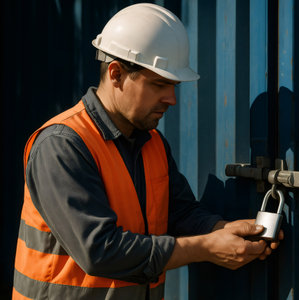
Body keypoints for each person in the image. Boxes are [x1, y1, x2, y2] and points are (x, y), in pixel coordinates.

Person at [13, 3, 282, 300]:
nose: (172, 99)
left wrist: (223, 229)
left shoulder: (152, 142)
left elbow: (178, 212)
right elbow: (100, 251)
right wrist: (206, 247)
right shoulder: (62, 145)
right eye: (159, 85)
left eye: (174, 86)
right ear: (116, 74)